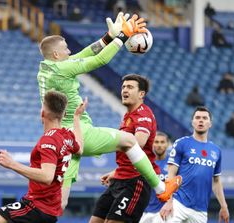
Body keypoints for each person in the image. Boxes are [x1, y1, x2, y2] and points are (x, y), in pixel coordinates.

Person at [37, 12, 180, 210]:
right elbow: (98, 61)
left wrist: (108, 37)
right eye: (65, 49)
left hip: (61, 138)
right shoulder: (62, 69)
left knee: (59, 204)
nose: (70, 52)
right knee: (129, 142)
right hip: (77, 133)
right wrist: (122, 37)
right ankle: (161, 188)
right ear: (56, 55)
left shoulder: (47, 69)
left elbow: (85, 54)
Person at [0, 90, 87, 223]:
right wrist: (77, 118)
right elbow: (80, 148)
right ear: (64, 114)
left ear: (42, 113)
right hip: (49, 210)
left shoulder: (49, 140)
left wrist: (12, 164)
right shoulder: (66, 136)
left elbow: (47, 176)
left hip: (35, 208)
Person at [89, 74, 182, 223]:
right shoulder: (128, 115)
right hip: (120, 178)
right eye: (124, 87)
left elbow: (138, 143)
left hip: (135, 182)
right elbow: (128, 153)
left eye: (130, 87)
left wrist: (103, 144)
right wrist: (116, 172)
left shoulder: (143, 115)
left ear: (141, 94)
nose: (125, 90)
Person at [160, 106, 230, 223]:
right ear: (192, 122)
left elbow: (216, 181)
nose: (201, 120)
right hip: (179, 204)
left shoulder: (216, 150)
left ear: (210, 124)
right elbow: (170, 175)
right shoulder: (181, 143)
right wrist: (168, 201)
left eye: (204, 118)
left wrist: (224, 206)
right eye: (197, 118)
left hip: (200, 211)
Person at [140, 131, 171, 223]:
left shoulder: (172, 164)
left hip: (165, 212)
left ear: (167, 144)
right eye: (156, 142)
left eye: (162, 142)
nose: (159, 145)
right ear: (152, 144)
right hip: (145, 211)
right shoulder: (145, 162)